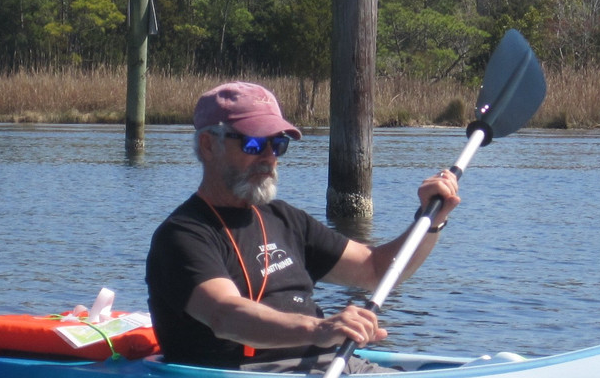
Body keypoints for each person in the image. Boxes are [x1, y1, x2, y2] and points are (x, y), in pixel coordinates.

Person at [146, 82, 460, 374]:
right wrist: (320, 330)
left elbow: (376, 269)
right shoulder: (183, 236)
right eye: (254, 144)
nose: (269, 157)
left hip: (334, 364)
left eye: (278, 144)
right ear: (207, 146)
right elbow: (225, 315)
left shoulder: (285, 218)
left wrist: (430, 220)